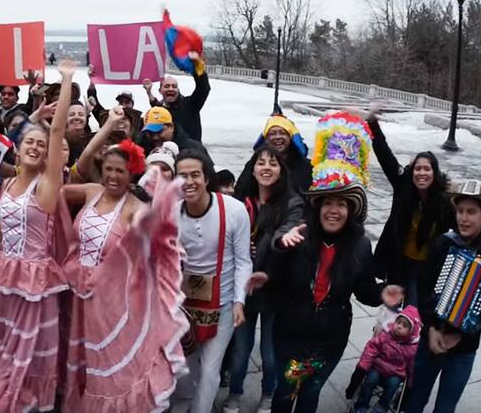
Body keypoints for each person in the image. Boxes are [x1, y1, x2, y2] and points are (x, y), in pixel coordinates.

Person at [0, 60, 76, 413]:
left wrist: (67, 80)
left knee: (25, 344)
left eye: (42, 145)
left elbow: (56, 133)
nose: (37, 147)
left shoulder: (46, 186)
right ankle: (1, 388)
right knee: (3, 337)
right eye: (30, 141)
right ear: (19, 146)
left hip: (34, 278)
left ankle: (18, 395)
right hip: (3, 273)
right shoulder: (8, 182)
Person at [265, 111, 402, 413]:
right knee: (285, 392)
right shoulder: (300, 234)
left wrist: (382, 292)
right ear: (318, 206)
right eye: (328, 202)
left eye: (342, 204)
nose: (334, 210)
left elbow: (363, 288)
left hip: (330, 338)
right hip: (290, 332)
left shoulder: (360, 245)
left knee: (310, 395)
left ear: (351, 210)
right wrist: (278, 246)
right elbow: (273, 266)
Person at [61, 144, 190, 412]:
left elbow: (161, 254)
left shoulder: (136, 209)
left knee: (105, 365)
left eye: (120, 170)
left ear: (131, 173)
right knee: (82, 358)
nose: (113, 176)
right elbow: (55, 194)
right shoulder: (91, 192)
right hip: (78, 296)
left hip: (112, 305)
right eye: (108, 169)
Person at [170, 148, 252, 413]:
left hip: (224, 303)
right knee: (185, 364)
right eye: (182, 176)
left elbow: (243, 261)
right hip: (184, 305)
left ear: (207, 178)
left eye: (196, 175)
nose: (189, 182)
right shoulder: (170, 212)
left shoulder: (235, 210)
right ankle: (182, 405)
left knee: (210, 370)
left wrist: (239, 300)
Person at [224, 145, 305, 413]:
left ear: (282, 170)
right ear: (253, 167)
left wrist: (278, 240)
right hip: (243, 289)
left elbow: (286, 229)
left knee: (271, 356)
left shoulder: (291, 202)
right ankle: (234, 393)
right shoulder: (241, 199)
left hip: (274, 287)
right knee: (240, 353)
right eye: (261, 162)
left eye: (273, 163)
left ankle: (268, 394)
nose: (266, 168)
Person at [406, 179, 481, 413]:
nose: (463, 218)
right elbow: (424, 289)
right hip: (432, 339)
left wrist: (462, 334)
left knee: (446, 406)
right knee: (414, 399)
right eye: (460, 211)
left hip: (464, 348)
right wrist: (431, 328)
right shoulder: (443, 244)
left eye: (471, 212)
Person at [366, 113, 454, 305]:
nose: (422, 173)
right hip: (399, 263)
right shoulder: (403, 188)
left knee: (415, 310)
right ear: (412, 171)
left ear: (434, 173)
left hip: (426, 268)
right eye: (417, 168)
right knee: (393, 311)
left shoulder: (444, 202)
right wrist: (373, 124)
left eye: (427, 169)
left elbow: (461, 228)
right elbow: (384, 155)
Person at [349, 306, 420, 413]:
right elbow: (371, 349)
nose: (399, 326)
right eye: (398, 322)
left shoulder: (411, 348)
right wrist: (362, 367)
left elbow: (411, 365)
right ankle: (361, 405)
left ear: (411, 331)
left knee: (393, 385)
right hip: (378, 367)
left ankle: (381, 407)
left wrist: (410, 383)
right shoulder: (385, 335)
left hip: (396, 372)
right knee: (370, 380)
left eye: (404, 326)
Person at [235, 114, 312, 196]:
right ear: (266, 139)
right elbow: (241, 193)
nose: (278, 137)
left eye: (283, 133)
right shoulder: (254, 164)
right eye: (272, 133)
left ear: (290, 137)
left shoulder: (306, 166)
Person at [146, 53, 210, 142]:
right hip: (167, 154)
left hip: (189, 154)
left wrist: (198, 68)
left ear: (178, 90)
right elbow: (154, 105)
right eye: (167, 86)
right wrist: (149, 93)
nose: (171, 89)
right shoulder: (160, 111)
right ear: (160, 91)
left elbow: (203, 88)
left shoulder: (191, 105)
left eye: (174, 86)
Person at [136, 106, 206, 157]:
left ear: (171, 127)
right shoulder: (140, 150)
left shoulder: (195, 149)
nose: (155, 137)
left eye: (159, 132)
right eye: (150, 133)